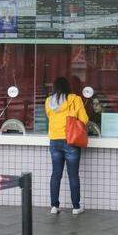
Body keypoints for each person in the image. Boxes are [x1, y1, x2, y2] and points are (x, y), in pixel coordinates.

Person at [45, 77, 89, 215]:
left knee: (56, 174)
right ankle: (76, 207)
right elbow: (84, 119)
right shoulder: (75, 99)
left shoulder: (48, 101)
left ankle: (54, 206)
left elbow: (49, 117)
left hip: (54, 140)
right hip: (70, 140)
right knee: (73, 175)